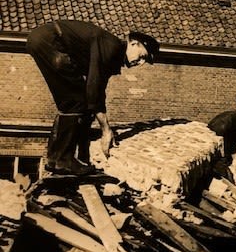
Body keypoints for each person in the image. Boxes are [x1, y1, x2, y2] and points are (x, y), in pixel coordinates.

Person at [26, 20, 159, 175]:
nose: (140, 63)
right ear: (134, 44)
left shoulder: (112, 52)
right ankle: (63, 160)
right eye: (142, 56)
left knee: (71, 102)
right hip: (50, 41)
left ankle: (55, 159)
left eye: (145, 61)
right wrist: (106, 129)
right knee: (76, 101)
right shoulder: (112, 47)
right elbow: (94, 88)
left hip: (43, 40)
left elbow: (98, 90)